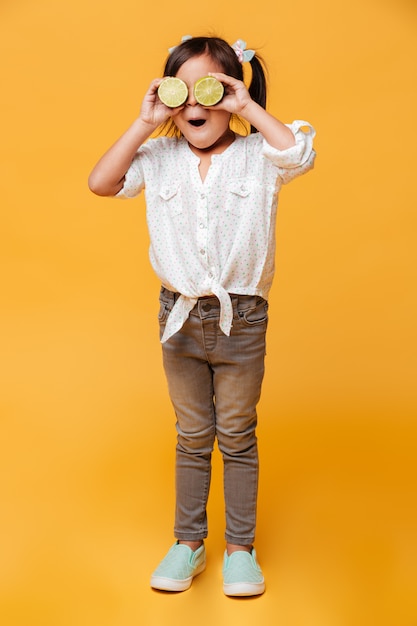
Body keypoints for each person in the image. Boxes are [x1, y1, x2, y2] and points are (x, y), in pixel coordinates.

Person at [88, 35, 316, 597]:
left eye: (210, 90)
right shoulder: (158, 157)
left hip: (243, 318)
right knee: (192, 434)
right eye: (180, 91)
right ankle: (188, 543)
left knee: (236, 434)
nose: (195, 104)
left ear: (232, 91)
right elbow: (101, 182)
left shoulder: (259, 156)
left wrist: (248, 107)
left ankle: (240, 550)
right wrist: (145, 123)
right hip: (178, 317)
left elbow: (299, 154)